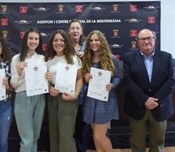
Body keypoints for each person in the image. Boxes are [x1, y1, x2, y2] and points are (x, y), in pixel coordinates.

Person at [123, 28, 175, 152]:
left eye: (149, 38)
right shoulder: (128, 58)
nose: (146, 41)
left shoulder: (166, 57)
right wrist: (145, 100)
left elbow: (171, 81)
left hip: (160, 106)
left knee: (158, 143)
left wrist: (155, 101)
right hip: (137, 106)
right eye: (143, 39)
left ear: (154, 40)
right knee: (137, 142)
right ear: (137, 42)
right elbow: (128, 81)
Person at [45, 29, 83, 152]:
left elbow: (80, 79)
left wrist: (75, 95)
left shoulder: (73, 59)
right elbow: (44, 82)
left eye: (62, 40)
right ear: (52, 43)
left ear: (66, 42)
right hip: (52, 99)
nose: (58, 43)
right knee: (54, 132)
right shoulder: (48, 60)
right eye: (55, 40)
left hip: (68, 98)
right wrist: (49, 88)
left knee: (66, 134)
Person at [82, 30, 121, 152]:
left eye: (97, 40)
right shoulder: (86, 59)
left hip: (105, 101)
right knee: (95, 135)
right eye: (91, 40)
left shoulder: (111, 59)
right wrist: (85, 79)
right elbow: (82, 81)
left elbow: (118, 77)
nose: (94, 43)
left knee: (100, 136)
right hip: (90, 101)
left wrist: (112, 85)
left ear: (102, 42)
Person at [10, 27, 46, 152]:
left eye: (36, 39)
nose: (33, 41)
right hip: (23, 97)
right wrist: (19, 73)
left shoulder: (42, 59)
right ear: (26, 39)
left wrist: (48, 77)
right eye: (31, 38)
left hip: (39, 97)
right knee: (27, 139)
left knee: (35, 137)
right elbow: (13, 84)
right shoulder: (16, 59)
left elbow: (45, 81)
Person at [67, 19, 90, 152]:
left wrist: (87, 55)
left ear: (81, 31)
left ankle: (81, 149)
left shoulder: (88, 46)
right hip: (67, 89)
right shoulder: (64, 45)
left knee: (82, 125)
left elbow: (99, 60)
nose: (75, 31)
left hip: (84, 91)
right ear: (69, 31)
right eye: (72, 28)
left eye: (77, 28)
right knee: (69, 124)